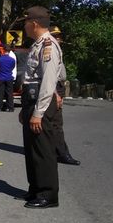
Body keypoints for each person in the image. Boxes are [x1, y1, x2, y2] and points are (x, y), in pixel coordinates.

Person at [19, 6, 65, 208]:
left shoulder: (48, 45)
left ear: (34, 23)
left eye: (26, 22)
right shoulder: (38, 44)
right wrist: (25, 109)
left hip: (42, 103)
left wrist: (38, 113)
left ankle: (48, 194)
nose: (24, 27)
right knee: (32, 149)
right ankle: (36, 189)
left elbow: (47, 81)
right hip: (33, 100)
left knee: (42, 149)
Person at [49, 26, 80, 165]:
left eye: (59, 36)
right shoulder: (50, 49)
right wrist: (55, 93)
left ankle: (54, 150)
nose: (59, 38)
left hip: (58, 86)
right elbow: (49, 75)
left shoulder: (57, 50)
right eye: (55, 36)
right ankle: (62, 153)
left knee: (53, 122)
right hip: (54, 87)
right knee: (56, 123)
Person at [0, 44, 17, 112]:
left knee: (0, 93)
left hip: (1, 77)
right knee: (9, 93)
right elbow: (12, 67)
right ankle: (10, 107)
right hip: (9, 77)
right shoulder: (12, 59)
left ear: (3, 50)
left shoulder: (0, 59)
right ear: (9, 51)